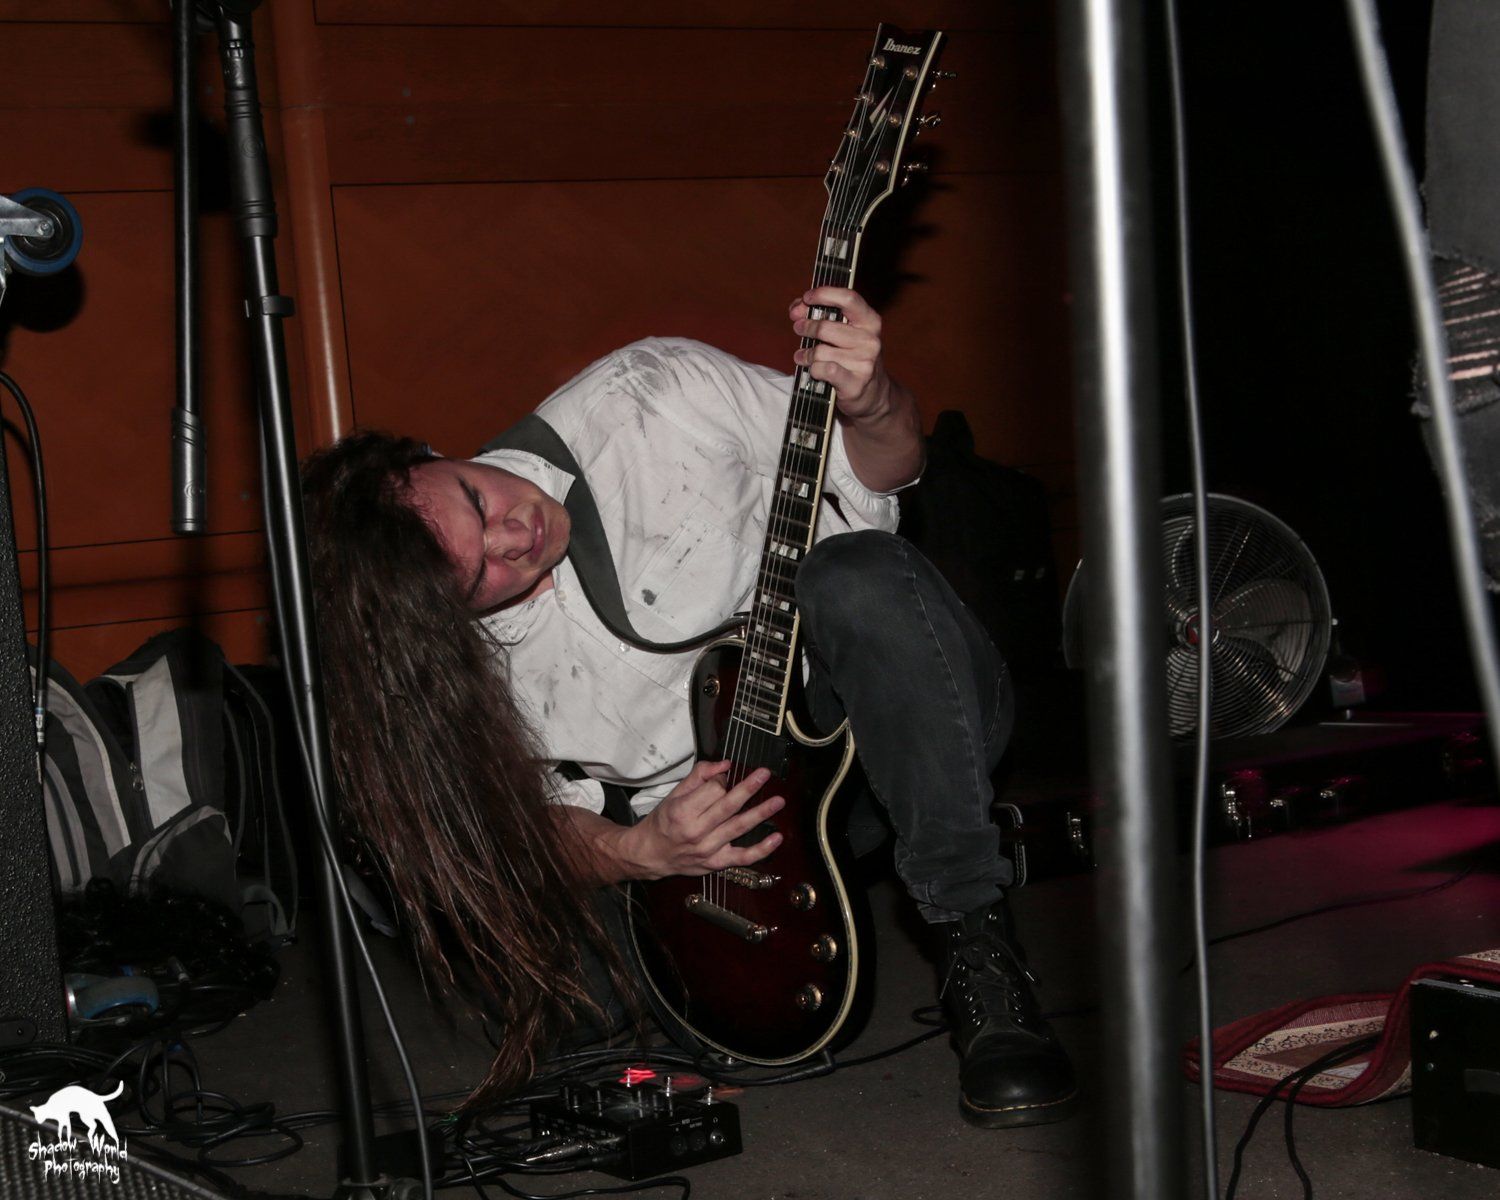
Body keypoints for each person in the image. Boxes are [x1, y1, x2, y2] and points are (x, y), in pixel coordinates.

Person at [301, 286, 1078, 1128]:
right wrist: (639, 850)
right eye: (479, 573)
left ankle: (978, 949)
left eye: (478, 502)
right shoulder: (451, 666)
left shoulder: (649, 396)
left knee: (857, 573)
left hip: (894, 728)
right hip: (717, 837)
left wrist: (873, 402)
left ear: (429, 455)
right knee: (567, 1027)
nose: (515, 538)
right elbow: (521, 828)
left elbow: (879, 469)